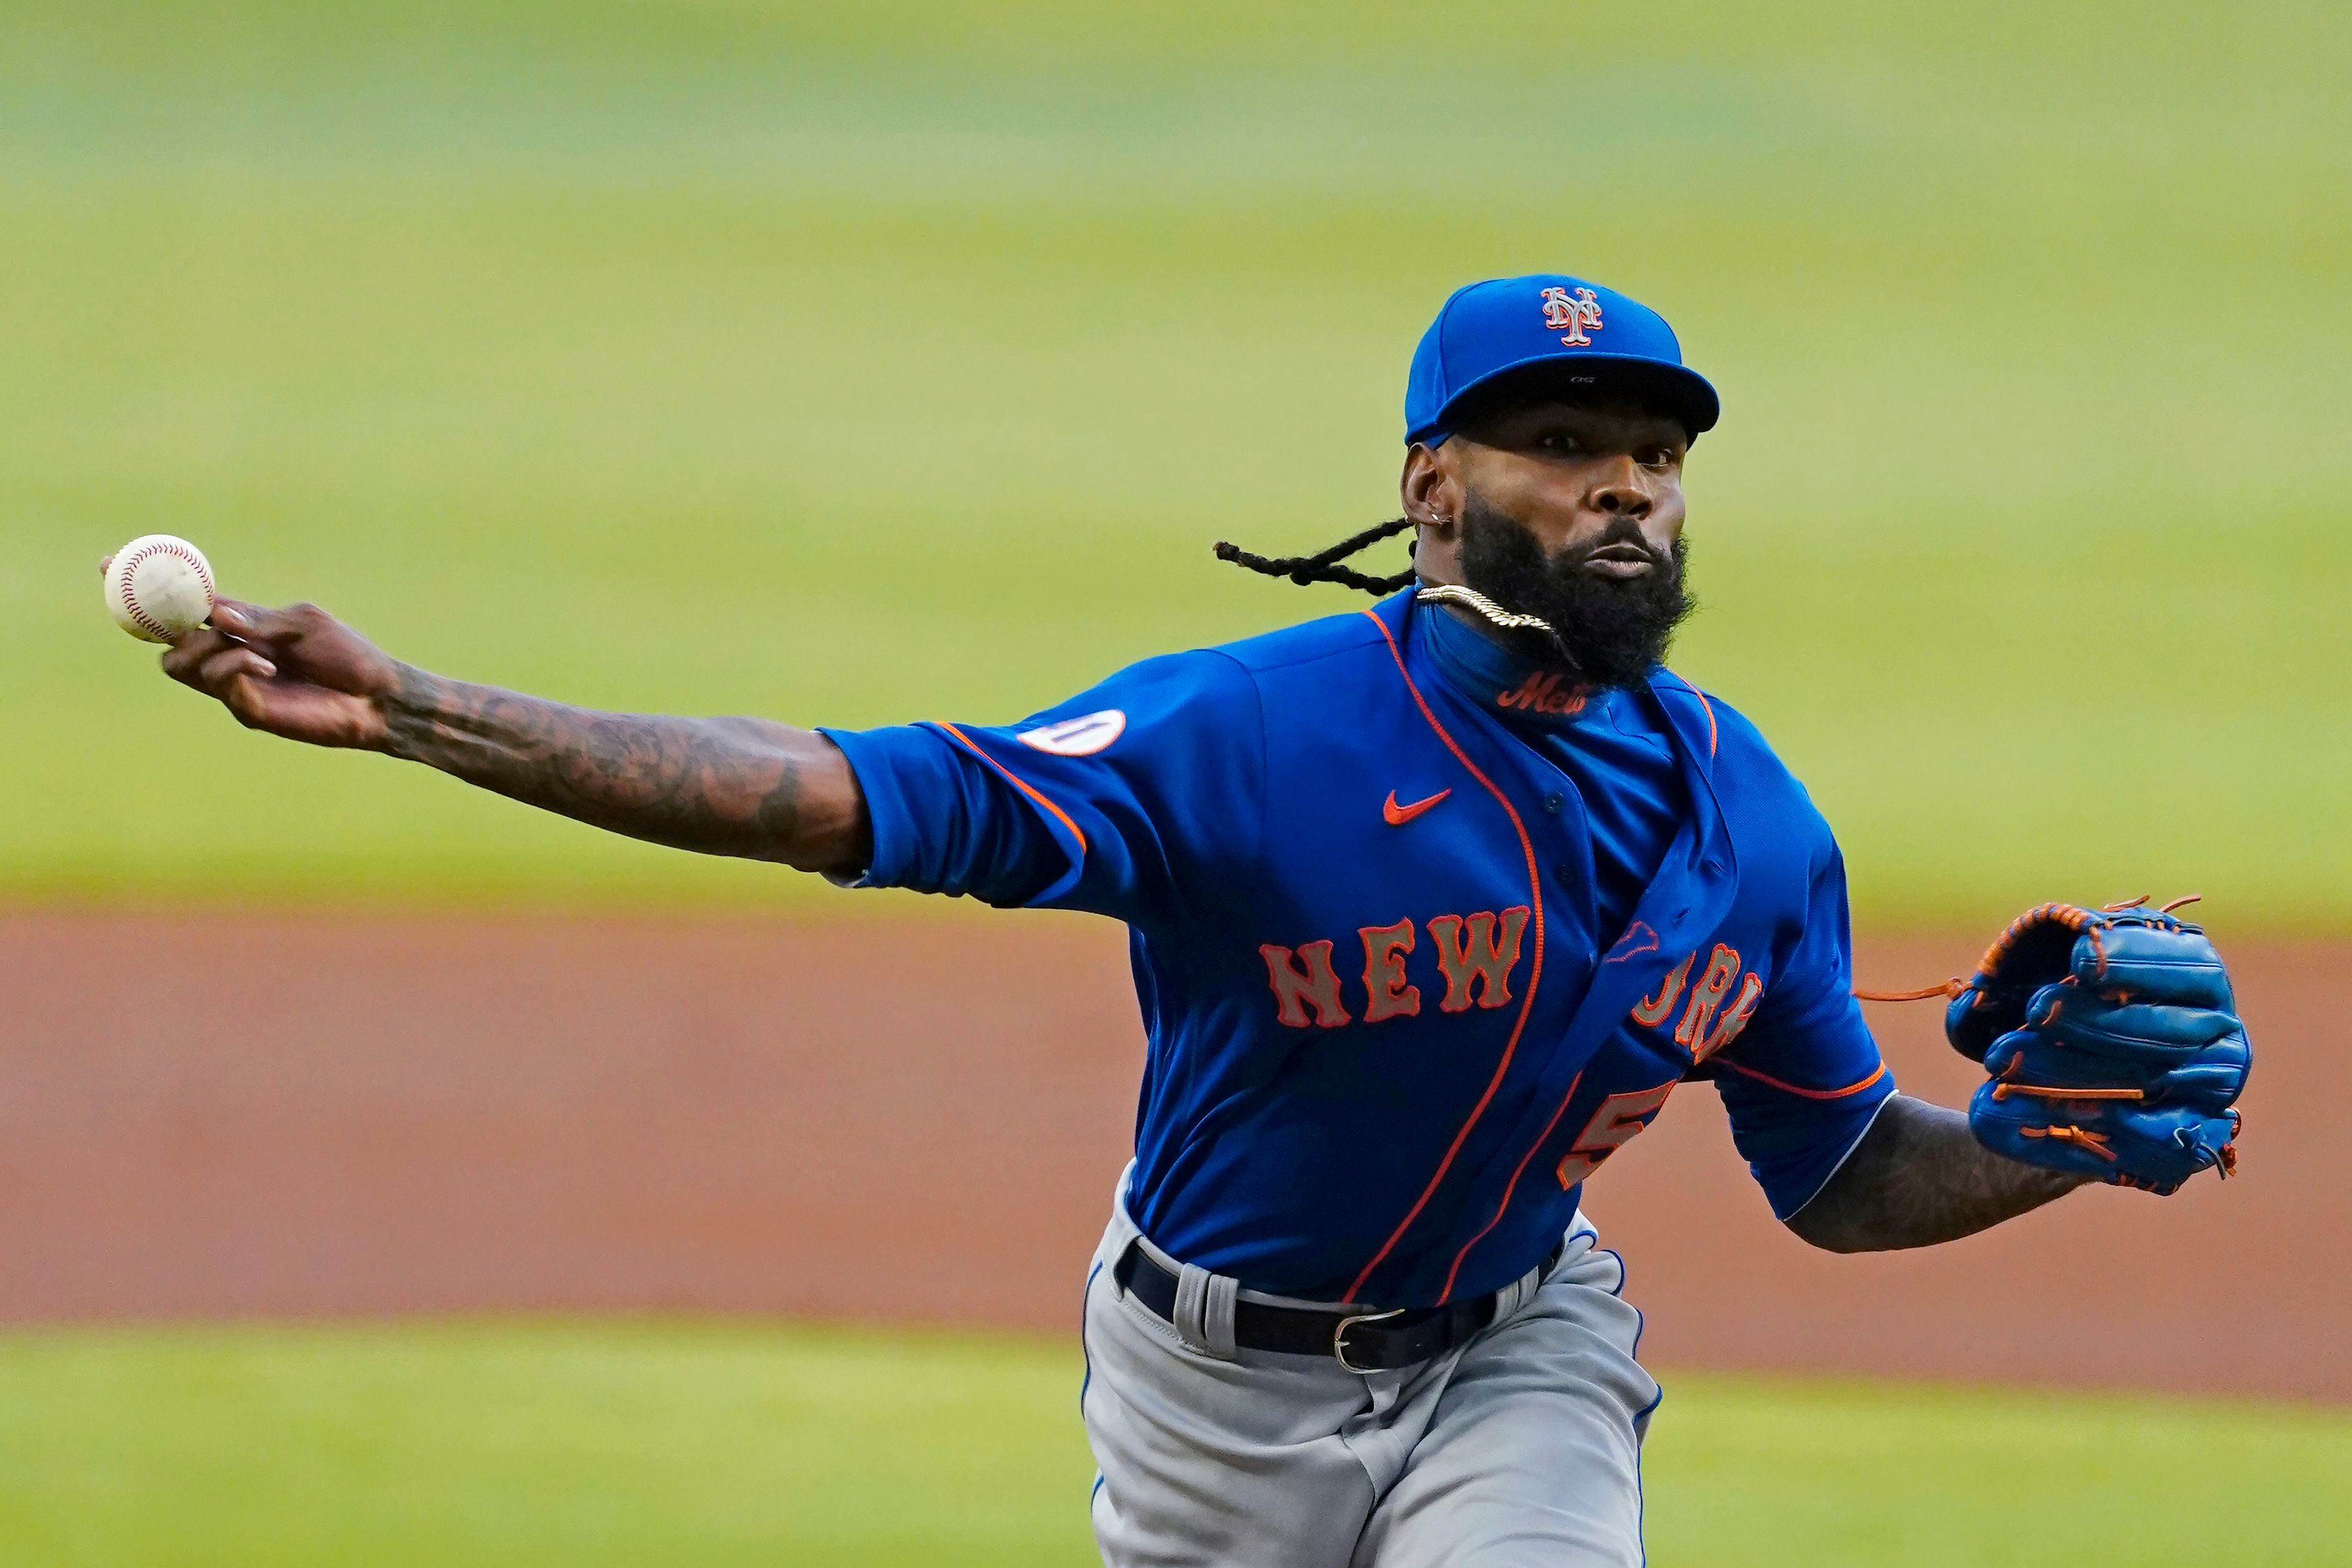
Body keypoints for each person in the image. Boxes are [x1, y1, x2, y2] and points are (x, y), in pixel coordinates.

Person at [143, 274, 2247, 1567]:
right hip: (1204, 1394)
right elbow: (849, 795)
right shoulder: (1248, 739)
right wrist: (420, 709)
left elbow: (1844, 1170)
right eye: (1561, 446)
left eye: (1651, 458)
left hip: (1516, 1357)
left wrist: (2051, 1146)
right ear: (1430, 486)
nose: (1622, 488)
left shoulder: (1758, 825)